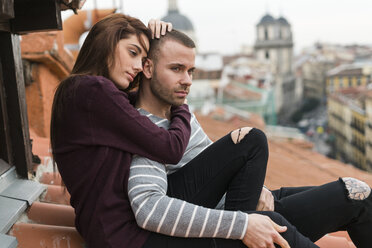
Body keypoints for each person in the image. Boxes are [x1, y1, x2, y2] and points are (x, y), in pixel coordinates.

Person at [128, 29, 372, 248]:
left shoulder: (179, 110)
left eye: (190, 71)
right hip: (227, 223)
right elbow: (149, 206)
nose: (187, 80)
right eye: (176, 69)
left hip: (244, 201)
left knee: (359, 192)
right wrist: (243, 224)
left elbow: (213, 162)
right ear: (147, 68)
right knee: (252, 139)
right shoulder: (141, 127)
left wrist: (258, 187)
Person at [50, 14, 192, 248]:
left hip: (116, 230)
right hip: (125, 237)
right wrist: (181, 104)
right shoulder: (94, 90)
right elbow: (171, 147)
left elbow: (138, 99)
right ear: (107, 42)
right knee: (250, 149)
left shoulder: (82, 91)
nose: (138, 66)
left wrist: (157, 39)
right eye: (133, 52)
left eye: (144, 59)